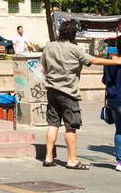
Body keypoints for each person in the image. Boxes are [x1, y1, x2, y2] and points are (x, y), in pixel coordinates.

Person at [42, 19, 121, 170]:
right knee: (71, 126)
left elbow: (44, 67)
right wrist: (117, 62)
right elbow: (93, 61)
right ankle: (71, 160)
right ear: (73, 34)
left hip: (51, 90)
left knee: (53, 124)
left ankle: (48, 157)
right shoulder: (75, 49)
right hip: (68, 92)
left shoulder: (49, 46)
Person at [102, 18, 121, 173]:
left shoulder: (109, 62)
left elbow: (105, 80)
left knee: (119, 130)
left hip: (114, 99)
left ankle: (120, 162)